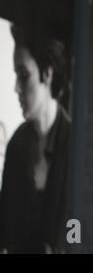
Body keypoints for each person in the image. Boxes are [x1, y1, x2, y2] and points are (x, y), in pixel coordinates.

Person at [0, 25, 72, 253]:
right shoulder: (17, 144)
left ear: (47, 74)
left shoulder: (75, 143)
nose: (16, 88)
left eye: (23, 75)